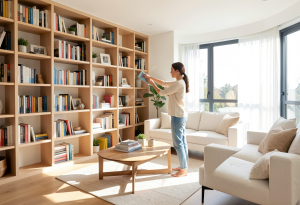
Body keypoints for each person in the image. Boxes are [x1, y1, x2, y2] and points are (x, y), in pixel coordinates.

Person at [143, 62, 189, 177]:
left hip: (177, 117)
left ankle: (183, 170)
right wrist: (151, 77)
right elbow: (163, 83)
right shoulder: (179, 82)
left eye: (172, 69)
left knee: (178, 144)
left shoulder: (178, 84)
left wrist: (152, 83)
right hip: (181, 115)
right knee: (182, 143)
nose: (170, 72)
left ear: (177, 71)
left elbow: (161, 92)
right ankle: (183, 166)